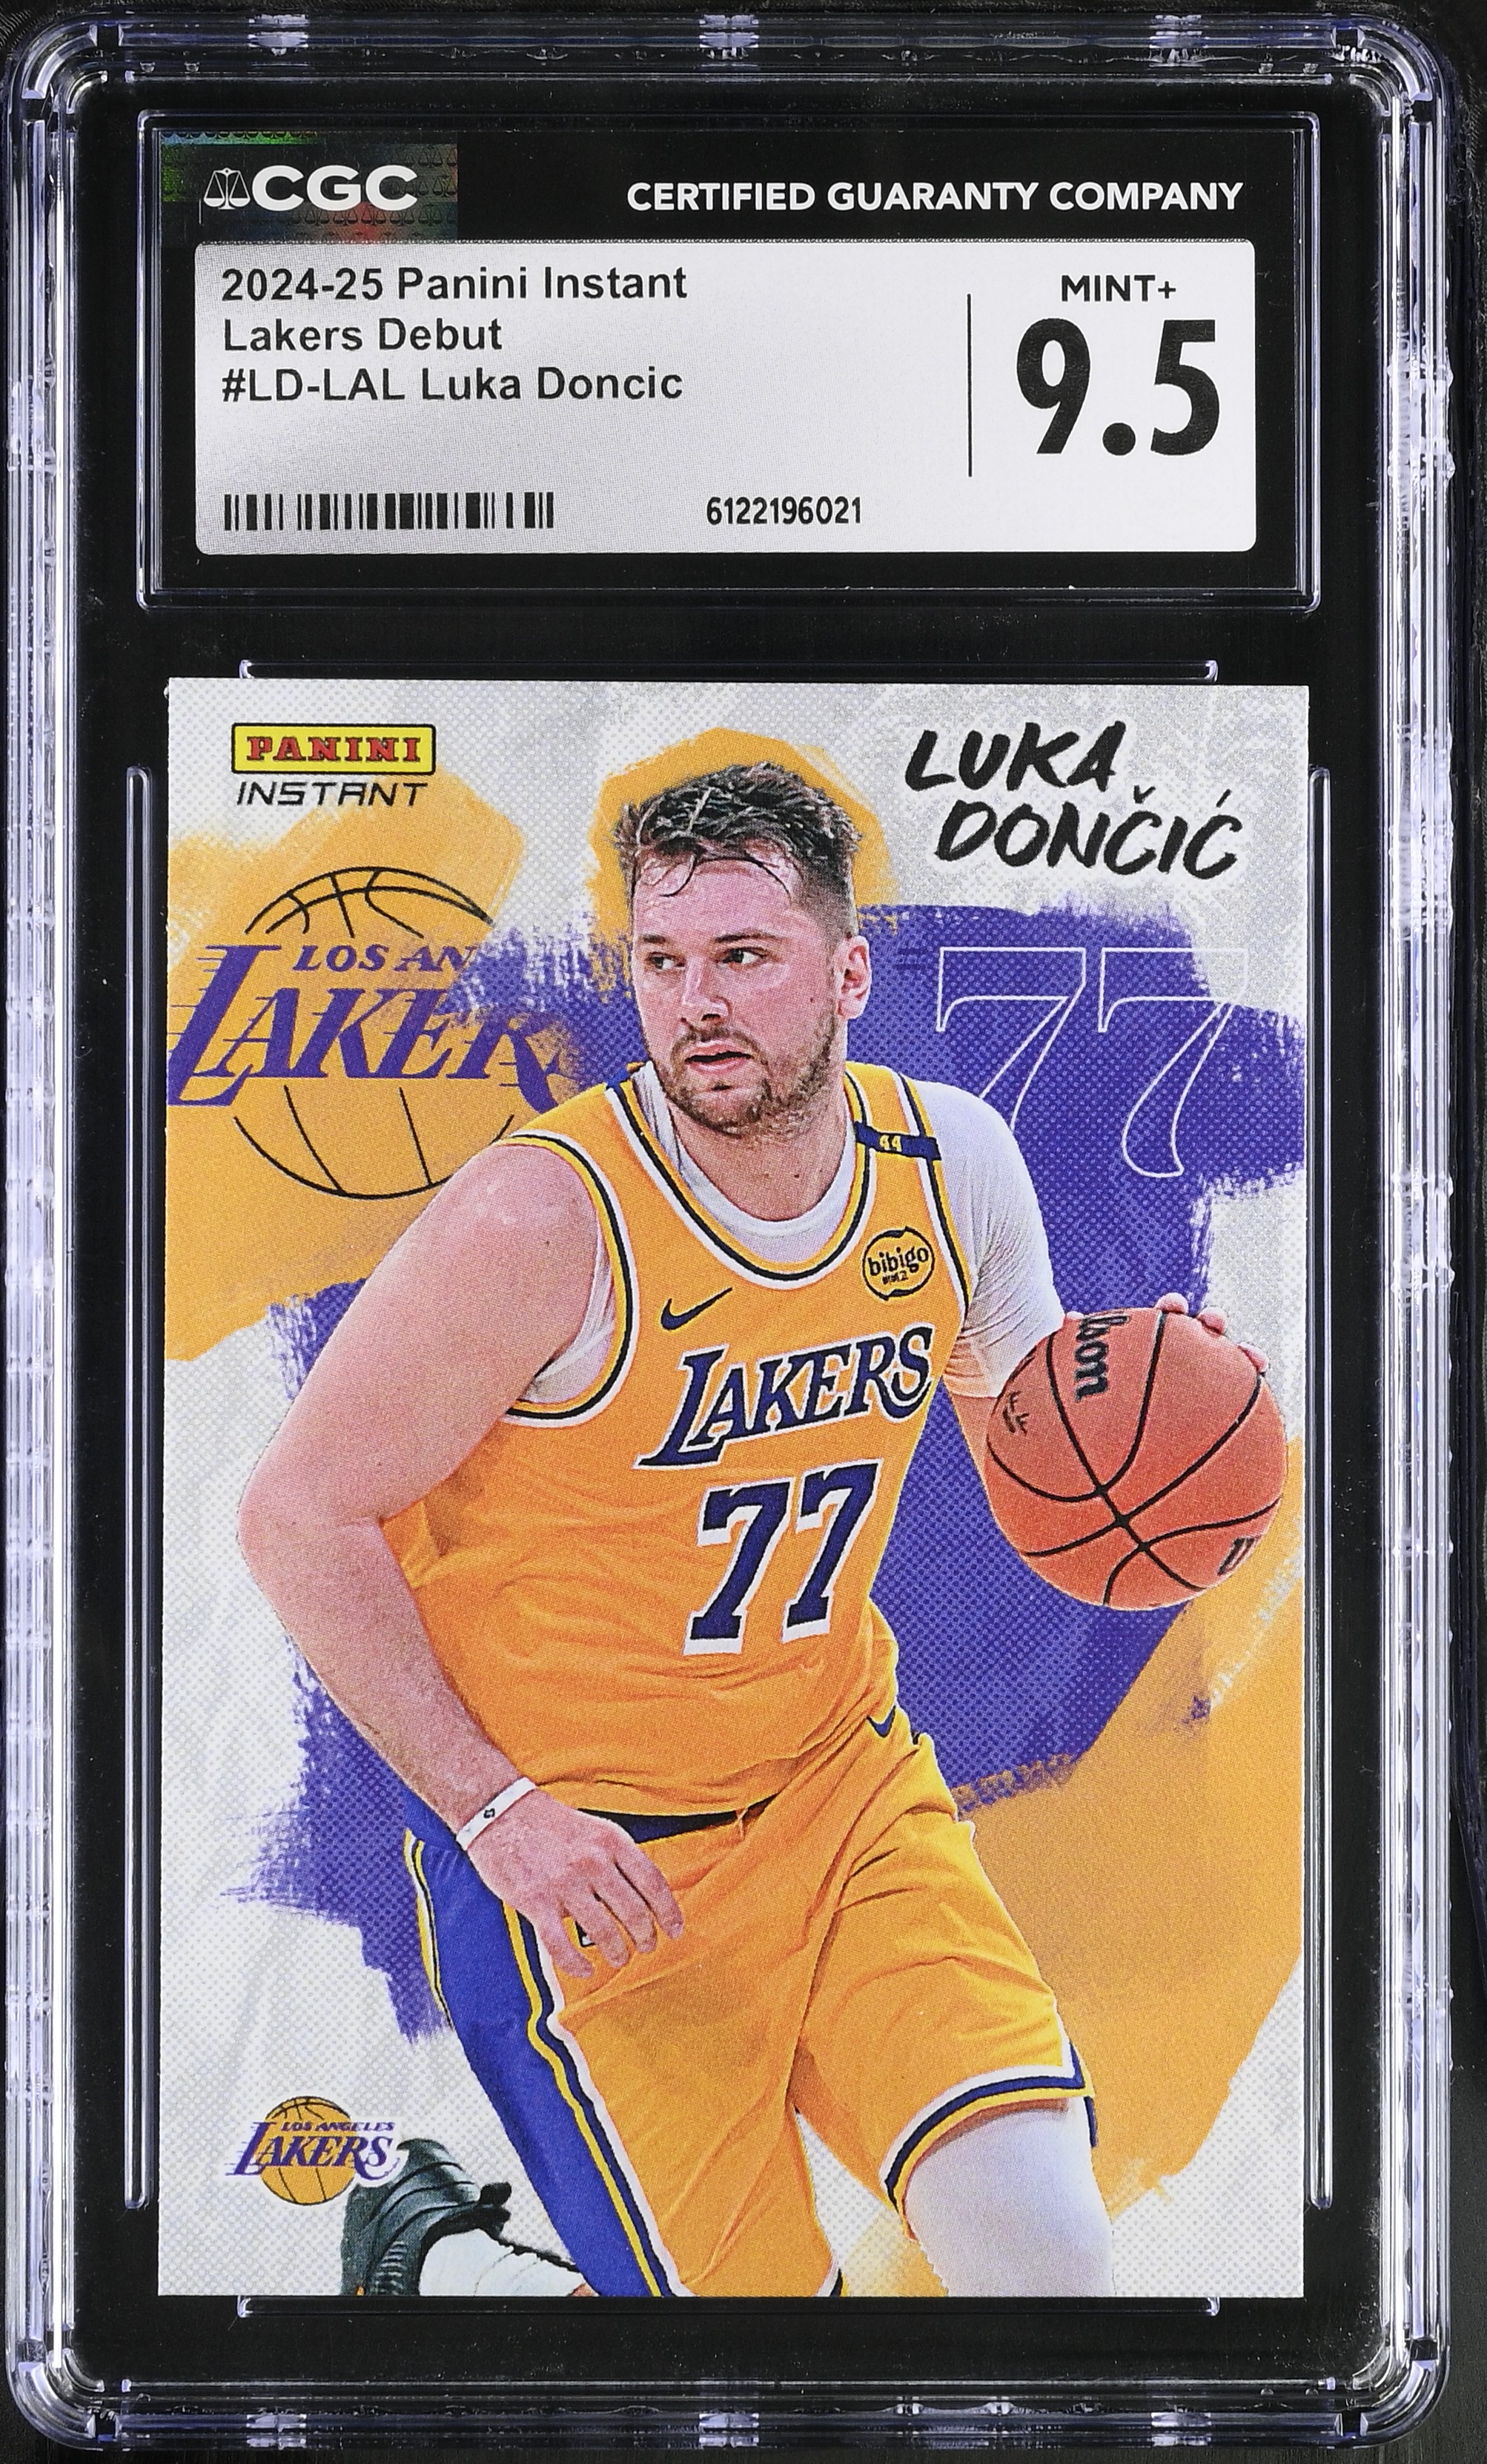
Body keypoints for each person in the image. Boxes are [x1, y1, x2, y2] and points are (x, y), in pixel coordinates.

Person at [240, 761, 1234, 2300]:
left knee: (1047, 2259)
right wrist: (495, 1814)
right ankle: (456, 2260)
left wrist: (1146, 1409)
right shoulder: (537, 1222)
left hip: (844, 1797)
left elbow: (1042, 1476)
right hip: (592, 1871)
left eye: (743, 956)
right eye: (661, 960)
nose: (695, 1002)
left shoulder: (950, 1165)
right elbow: (297, 1514)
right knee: (761, 2359)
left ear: (846, 976)